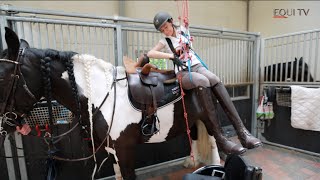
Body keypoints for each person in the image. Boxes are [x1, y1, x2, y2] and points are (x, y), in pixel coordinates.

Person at [147, 12, 262, 155]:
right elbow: (150, 53)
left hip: (197, 66)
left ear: (171, 21)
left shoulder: (183, 30)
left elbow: (188, 38)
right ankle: (221, 139)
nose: (165, 30)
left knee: (214, 79)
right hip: (183, 73)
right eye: (162, 30)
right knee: (202, 81)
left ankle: (243, 132)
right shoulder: (165, 41)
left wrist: (188, 40)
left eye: (166, 26)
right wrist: (172, 56)